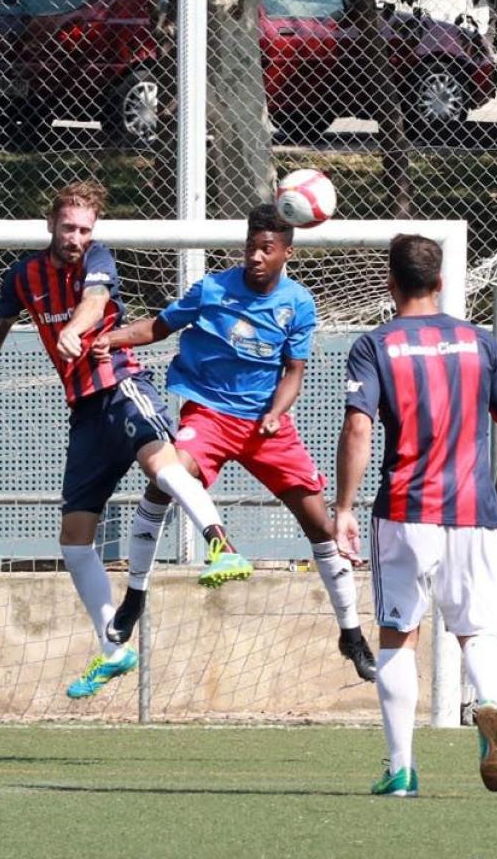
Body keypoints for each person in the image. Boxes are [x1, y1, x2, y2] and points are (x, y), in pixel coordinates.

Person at [0, 180, 240, 701]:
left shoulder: (100, 259)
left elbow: (95, 303)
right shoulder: (23, 275)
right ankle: (113, 649)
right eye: (69, 227)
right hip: (84, 414)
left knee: (162, 466)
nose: (76, 237)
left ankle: (219, 545)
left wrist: (75, 329)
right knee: (74, 540)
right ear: (51, 224)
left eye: (85, 229)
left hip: (120, 388)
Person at [93, 205, 377, 681]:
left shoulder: (298, 304)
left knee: (321, 525)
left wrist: (276, 412)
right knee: (166, 478)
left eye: (267, 249)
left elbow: (294, 373)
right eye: (251, 247)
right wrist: (112, 337)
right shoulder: (213, 289)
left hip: (267, 426)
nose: (256, 257)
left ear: (286, 252)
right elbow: (158, 326)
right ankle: (135, 594)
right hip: (208, 412)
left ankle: (351, 633)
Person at [332, 233, 497, 798]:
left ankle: (401, 769)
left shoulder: (375, 345)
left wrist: (344, 507)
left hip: (404, 512)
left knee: (397, 636)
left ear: (390, 284)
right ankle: (487, 702)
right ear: (441, 283)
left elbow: (358, 428)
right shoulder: (481, 343)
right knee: (479, 630)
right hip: (474, 512)